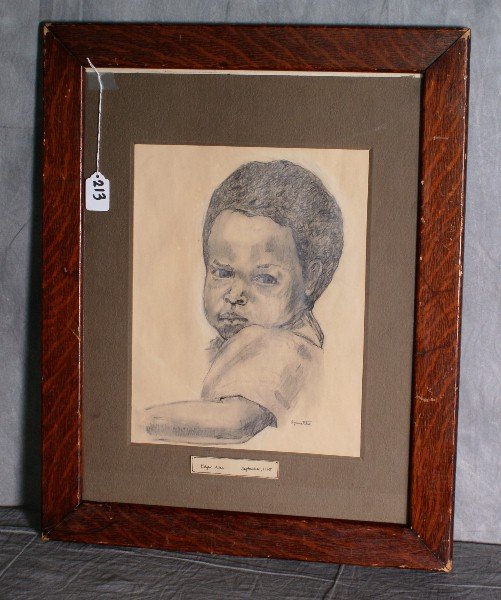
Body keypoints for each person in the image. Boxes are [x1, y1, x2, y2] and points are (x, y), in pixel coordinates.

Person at [144, 159, 343, 444]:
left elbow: (234, 422)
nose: (235, 295)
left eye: (264, 279)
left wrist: (139, 421)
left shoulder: (281, 347)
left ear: (310, 278)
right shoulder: (252, 340)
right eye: (223, 273)